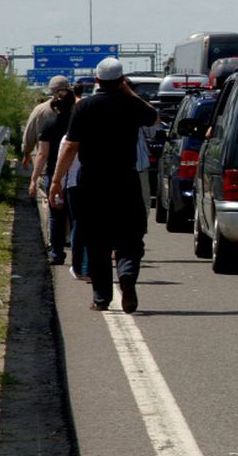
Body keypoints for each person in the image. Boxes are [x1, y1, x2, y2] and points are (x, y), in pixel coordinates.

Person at [48, 58, 158, 314]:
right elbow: (154, 119)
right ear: (121, 81)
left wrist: (56, 181)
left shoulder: (84, 107)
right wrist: (129, 92)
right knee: (130, 237)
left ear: (96, 81)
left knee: (96, 241)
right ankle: (127, 274)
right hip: (126, 180)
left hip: (93, 183)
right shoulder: (131, 105)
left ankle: (101, 298)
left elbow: (70, 146)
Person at [30, 87, 76, 265]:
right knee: (76, 217)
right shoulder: (77, 122)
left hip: (53, 174)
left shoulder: (49, 124)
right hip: (76, 175)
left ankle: (57, 255)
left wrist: (34, 179)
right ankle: (81, 258)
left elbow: (42, 155)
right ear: (73, 103)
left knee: (56, 216)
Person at [22, 75, 72, 227]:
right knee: (70, 202)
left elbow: (29, 135)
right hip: (71, 165)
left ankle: (52, 239)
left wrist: (26, 154)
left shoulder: (40, 110)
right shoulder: (76, 109)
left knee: (47, 201)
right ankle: (68, 236)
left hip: (46, 166)